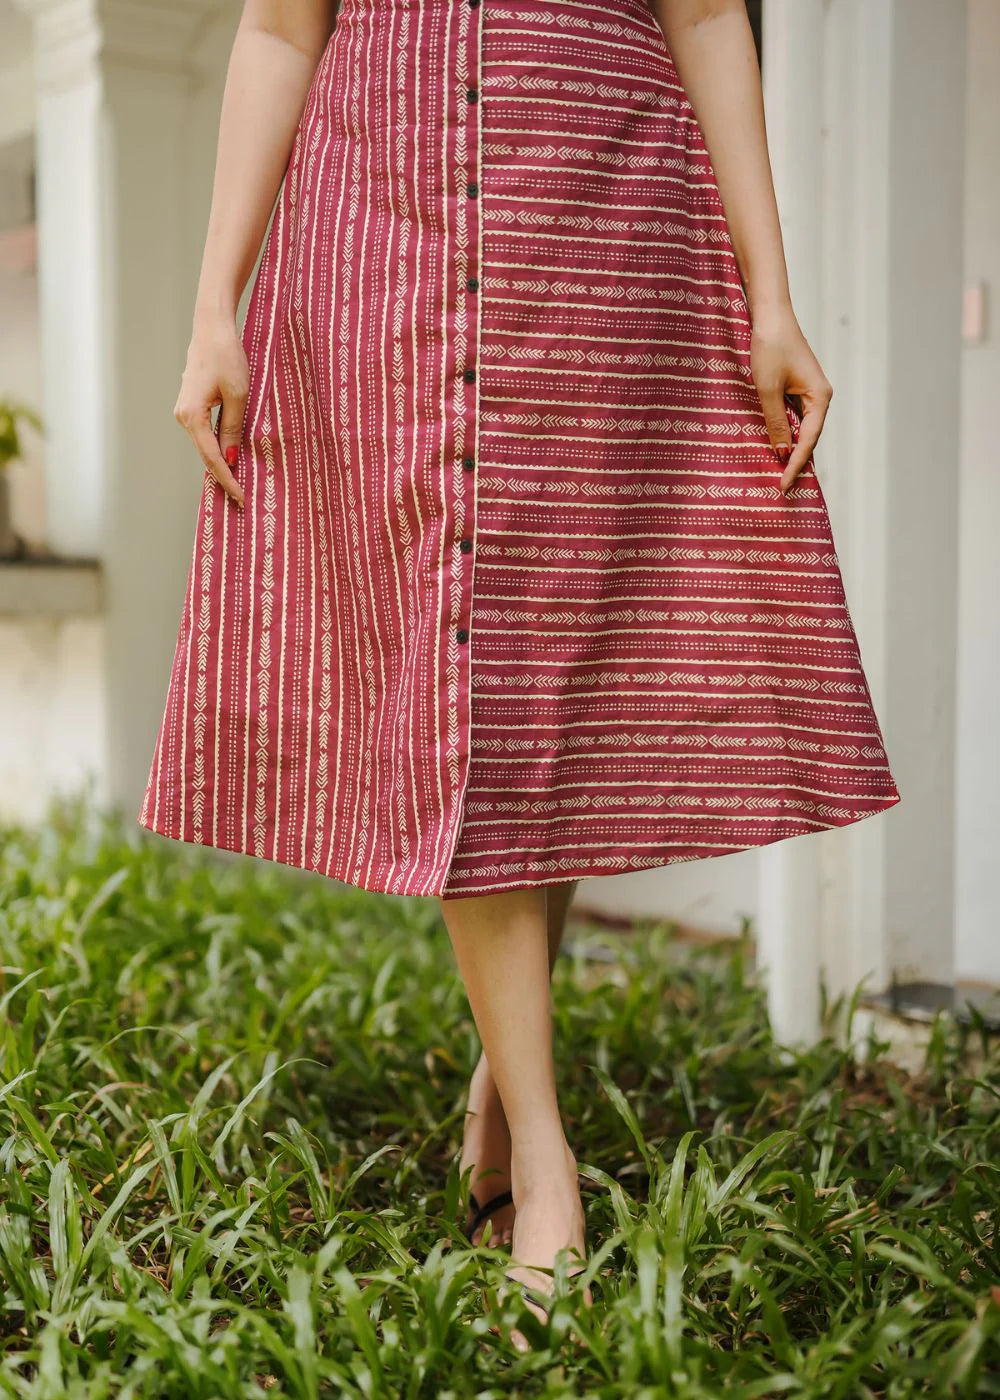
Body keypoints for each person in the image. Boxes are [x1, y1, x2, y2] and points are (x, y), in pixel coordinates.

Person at [138, 0, 901, 1342]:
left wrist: (771, 297)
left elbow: (712, 10)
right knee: (451, 652)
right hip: (382, 216)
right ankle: (544, 1156)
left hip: (610, 213)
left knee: (555, 655)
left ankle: (508, 1065)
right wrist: (216, 306)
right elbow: (275, 31)